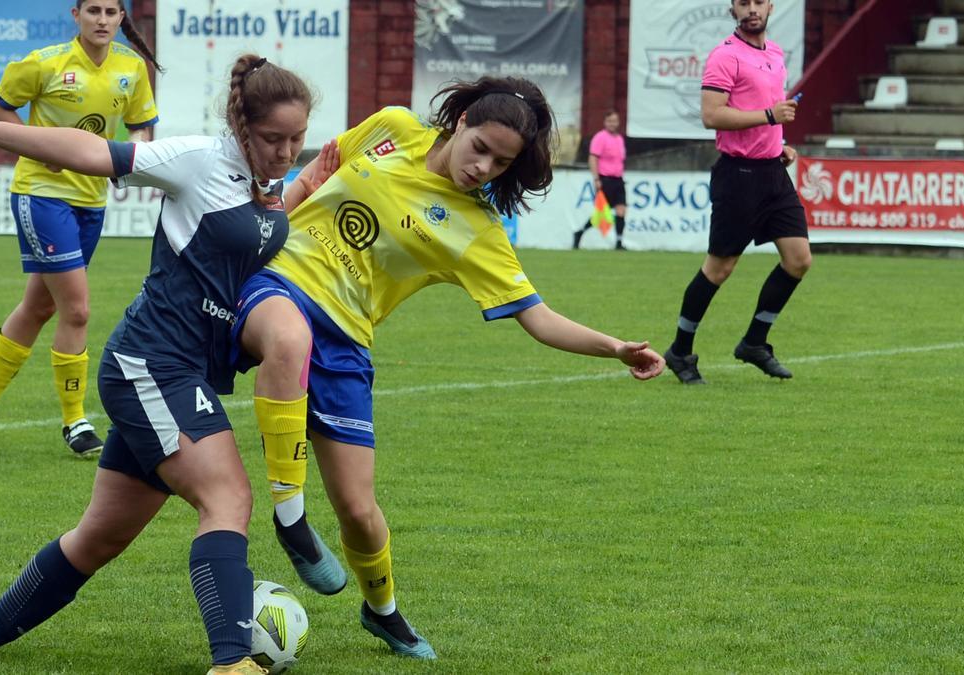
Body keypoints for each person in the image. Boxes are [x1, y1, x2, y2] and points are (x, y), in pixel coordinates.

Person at [0, 54, 333, 675]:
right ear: (243, 128)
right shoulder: (199, 160)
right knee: (228, 498)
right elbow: (91, 152)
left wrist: (304, 184)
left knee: (99, 538)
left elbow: (252, 231)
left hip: (181, 370)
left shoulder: (264, 184)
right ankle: (232, 663)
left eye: (297, 139)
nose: (285, 151)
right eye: (273, 139)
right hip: (152, 364)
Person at [231, 76, 666, 660]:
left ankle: (382, 611)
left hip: (348, 339)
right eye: (480, 146)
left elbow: (538, 318)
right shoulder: (391, 127)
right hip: (277, 281)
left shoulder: (475, 229)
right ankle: (290, 517)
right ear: (459, 123)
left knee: (360, 512)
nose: (484, 166)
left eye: (501, 162)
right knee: (288, 340)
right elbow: (316, 177)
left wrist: (616, 348)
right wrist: (270, 216)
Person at [0, 0, 163, 457]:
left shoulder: (131, 68)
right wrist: (39, 152)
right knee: (77, 310)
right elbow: (0, 109)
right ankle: (75, 422)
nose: (103, 20)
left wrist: (129, 158)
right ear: (76, 15)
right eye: (93, 10)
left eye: (112, 12)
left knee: (39, 307)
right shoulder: (44, 63)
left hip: (92, 199)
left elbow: (142, 128)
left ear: (120, 18)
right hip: (42, 193)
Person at [663, 0, 812, 385]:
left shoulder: (775, 53)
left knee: (798, 260)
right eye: (743, 2)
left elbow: (765, 110)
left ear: (770, 7)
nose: (751, 9)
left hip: (772, 173)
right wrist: (769, 119)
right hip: (738, 175)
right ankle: (680, 352)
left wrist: (778, 144)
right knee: (719, 269)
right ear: (733, 8)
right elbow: (712, 115)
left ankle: (754, 343)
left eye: (758, 2)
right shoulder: (724, 56)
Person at [571, 110, 628, 250]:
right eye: (610, 121)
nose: (612, 124)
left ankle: (619, 243)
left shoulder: (620, 139)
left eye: (615, 121)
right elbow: (593, 158)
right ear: (605, 122)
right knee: (601, 215)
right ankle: (579, 233)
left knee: (621, 210)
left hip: (618, 179)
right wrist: (596, 178)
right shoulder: (600, 138)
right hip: (605, 179)